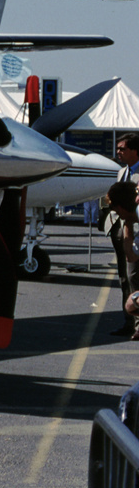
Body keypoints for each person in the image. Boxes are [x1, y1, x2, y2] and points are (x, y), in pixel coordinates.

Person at [105, 135, 139, 337]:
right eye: (117, 149)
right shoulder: (121, 173)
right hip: (122, 230)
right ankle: (129, 321)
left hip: (135, 230)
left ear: (135, 151)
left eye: (122, 149)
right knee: (124, 277)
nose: (118, 152)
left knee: (135, 277)